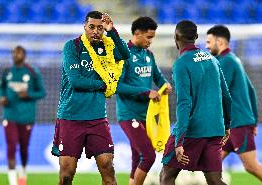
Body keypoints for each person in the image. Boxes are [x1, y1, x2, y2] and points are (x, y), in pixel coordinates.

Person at [51, 11, 130, 185]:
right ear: (84, 27)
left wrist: (112, 31)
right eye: (91, 27)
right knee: (66, 175)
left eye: (100, 28)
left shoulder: (106, 47)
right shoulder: (73, 46)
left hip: (97, 118)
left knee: (107, 167)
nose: (95, 31)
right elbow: (76, 81)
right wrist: (104, 84)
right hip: (71, 117)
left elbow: (125, 54)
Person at [159, 20, 232, 185]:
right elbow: (226, 96)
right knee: (215, 180)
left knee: (167, 175)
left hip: (193, 130)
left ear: (176, 37)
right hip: (215, 128)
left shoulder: (181, 63)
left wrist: (179, 141)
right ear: (196, 37)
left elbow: (184, 103)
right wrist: (226, 125)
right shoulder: (213, 60)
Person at [206, 25, 262, 185]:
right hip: (234, 125)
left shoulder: (226, 62)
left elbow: (216, 94)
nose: (207, 46)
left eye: (209, 42)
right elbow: (251, 90)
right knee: (210, 166)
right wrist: (254, 121)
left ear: (220, 41)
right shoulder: (233, 59)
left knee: (251, 166)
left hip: (238, 124)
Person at [115, 16, 172, 185]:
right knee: (148, 156)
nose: (151, 41)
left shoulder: (149, 55)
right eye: (149, 37)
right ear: (137, 33)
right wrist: (145, 92)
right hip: (128, 114)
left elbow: (157, 76)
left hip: (145, 115)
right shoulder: (123, 54)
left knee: (137, 157)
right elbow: (117, 86)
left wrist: (165, 84)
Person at [0, 46, 46, 185]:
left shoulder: (32, 72)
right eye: (14, 52)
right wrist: (2, 97)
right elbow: (2, 88)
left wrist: (29, 94)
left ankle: (23, 171)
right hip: (9, 116)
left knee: (24, 149)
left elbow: (42, 93)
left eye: (19, 52)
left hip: (26, 118)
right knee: (11, 147)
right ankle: (13, 183)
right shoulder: (7, 72)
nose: (15, 55)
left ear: (24, 56)